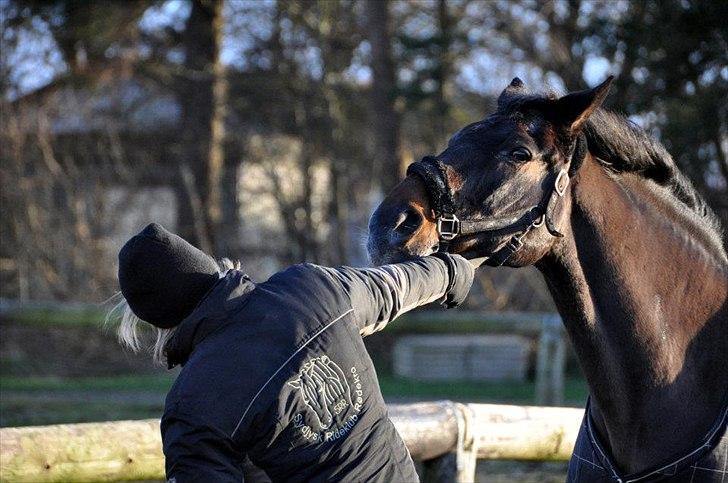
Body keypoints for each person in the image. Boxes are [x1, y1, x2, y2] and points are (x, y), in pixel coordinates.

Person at [115, 223, 476, 482]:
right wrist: (455, 270)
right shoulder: (312, 287)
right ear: (208, 267)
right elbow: (395, 287)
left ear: (158, 321)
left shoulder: (192, 404)